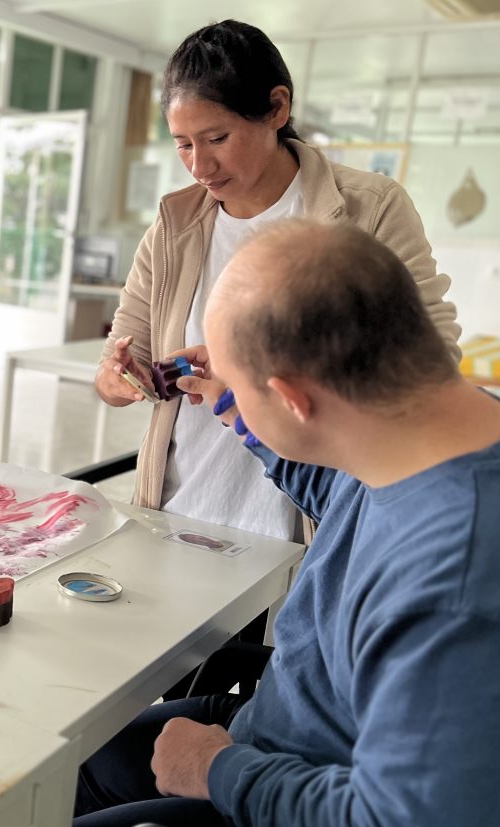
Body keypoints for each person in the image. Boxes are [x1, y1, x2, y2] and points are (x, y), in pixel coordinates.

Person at [73, 219, 500, 827]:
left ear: (296, 400)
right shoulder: (424, 434)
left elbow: (398, 817)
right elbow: (341, 495)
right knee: (64, 766)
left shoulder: (459, 581)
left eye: (244, 390)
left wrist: (217, 769)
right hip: (274, 729)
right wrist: (244, 411)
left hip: (299, 790)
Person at [95, 20, 460, 539]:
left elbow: (433, 359)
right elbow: (119, 362)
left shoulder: (369, 209)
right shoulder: (175, 226)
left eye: (217, 138)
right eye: (183, 145)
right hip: (176, 511)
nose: (199, 165)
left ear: (277, 108)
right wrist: (121, 377)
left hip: (304, 526)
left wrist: (254, 379)